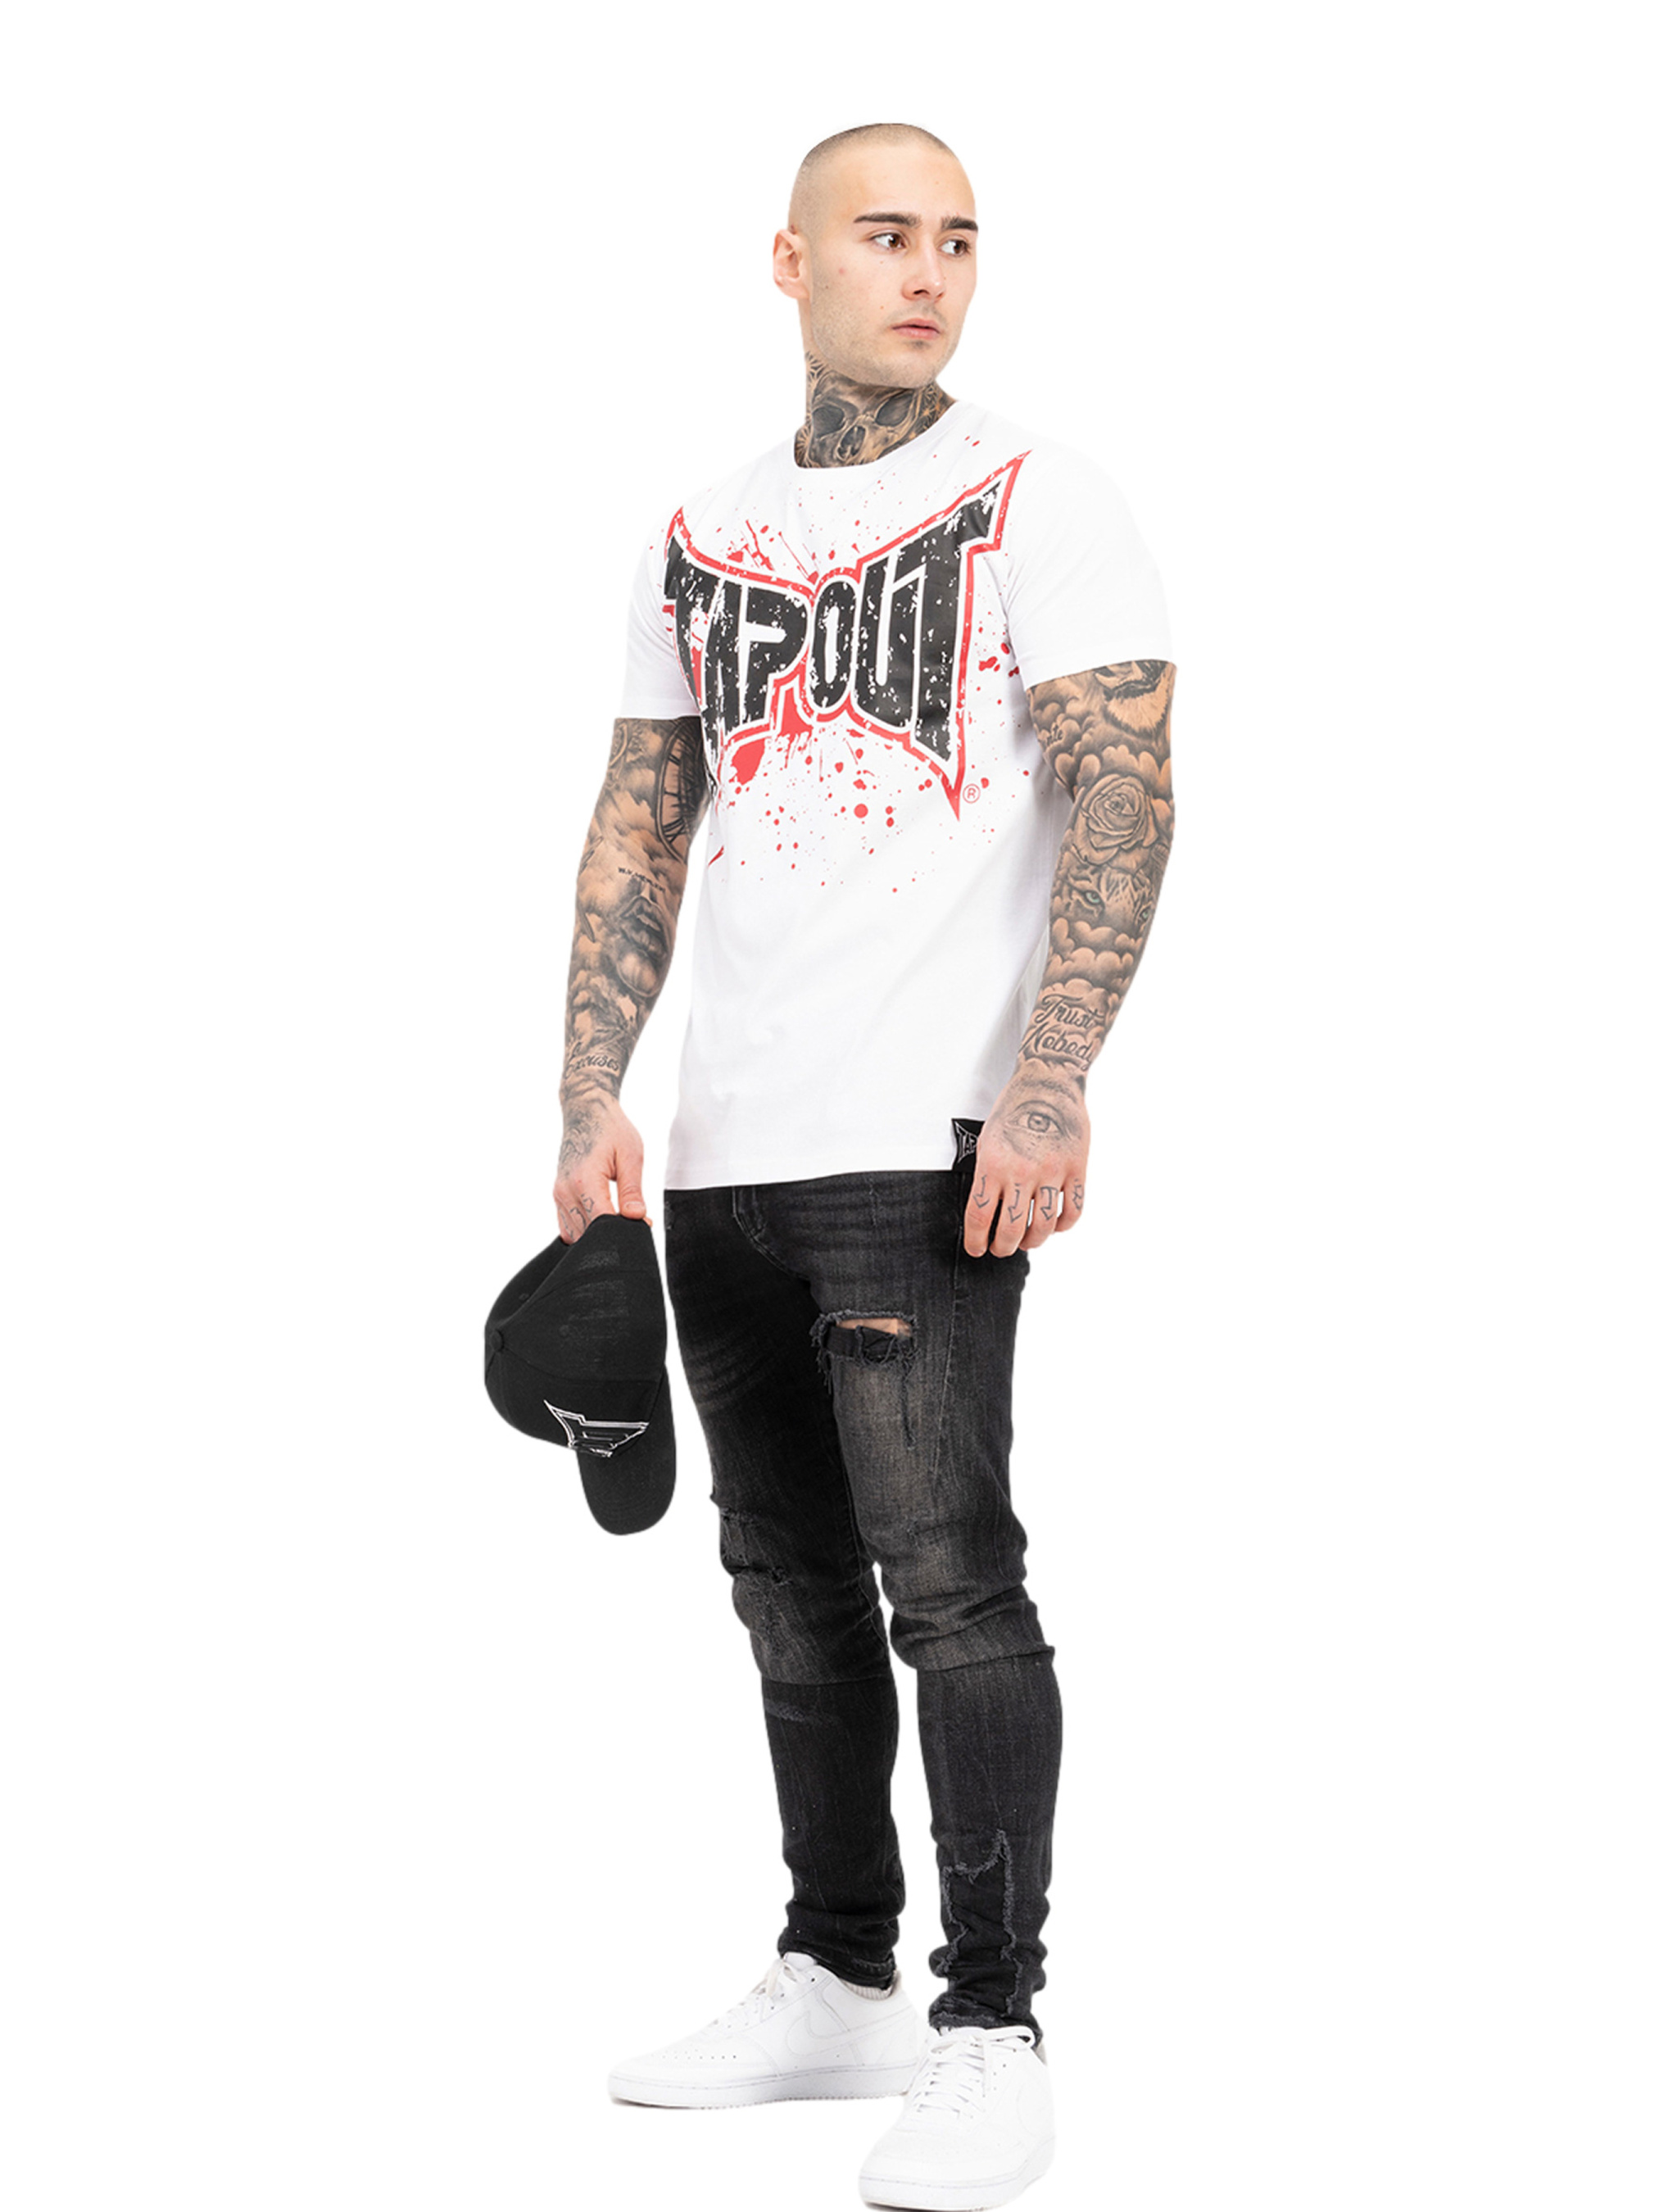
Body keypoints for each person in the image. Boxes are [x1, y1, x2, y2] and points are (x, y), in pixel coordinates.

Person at [554, 120, 1176, 2210]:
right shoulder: (699, 529)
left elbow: (1124, 797)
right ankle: (837, 1974)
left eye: (958, 241)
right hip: (726, 1146)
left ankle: (990, 2028)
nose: (927, 274)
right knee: (780, 1578)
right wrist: (588, 1090)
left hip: (924, 1139)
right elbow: (640, 821)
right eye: (886, 236)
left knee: (951, 1585)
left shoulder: (1036, 497)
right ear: (790, 259)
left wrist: (1052, 1081)